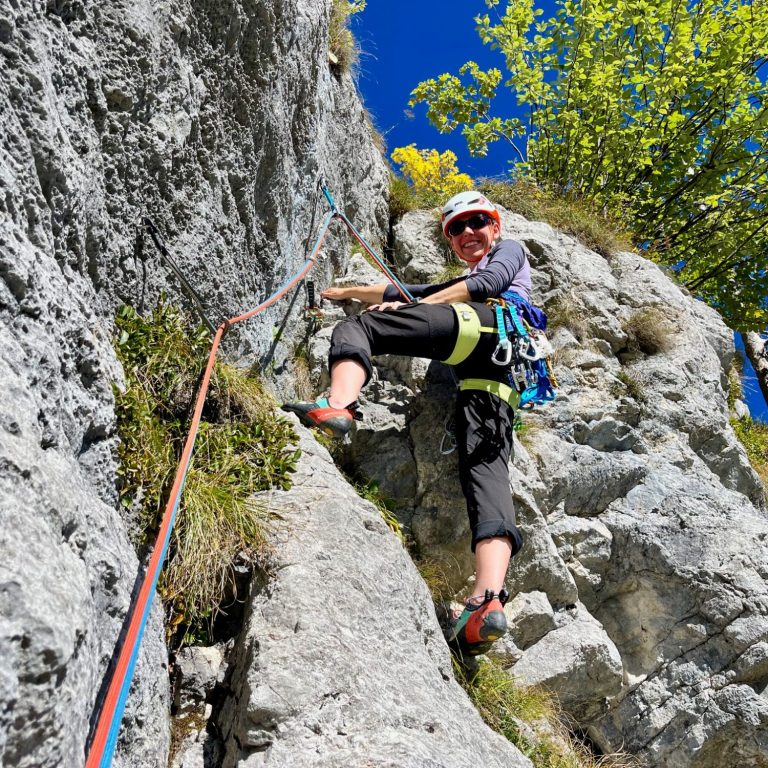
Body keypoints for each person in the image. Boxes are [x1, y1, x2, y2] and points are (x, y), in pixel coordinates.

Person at [284, 191, 532, 655]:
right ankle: (487, 602)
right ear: (451, 241)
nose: (467, 232)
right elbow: (406, 292)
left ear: (495, 226)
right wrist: (351, 292)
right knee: (486, 477)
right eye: (455, 228)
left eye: (477, 222)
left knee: (360, 327)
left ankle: (338, 404)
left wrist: (410, 307)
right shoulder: (465, 278)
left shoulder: (509, 251)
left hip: (482, 325)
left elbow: (482, 285)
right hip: (497, 376)